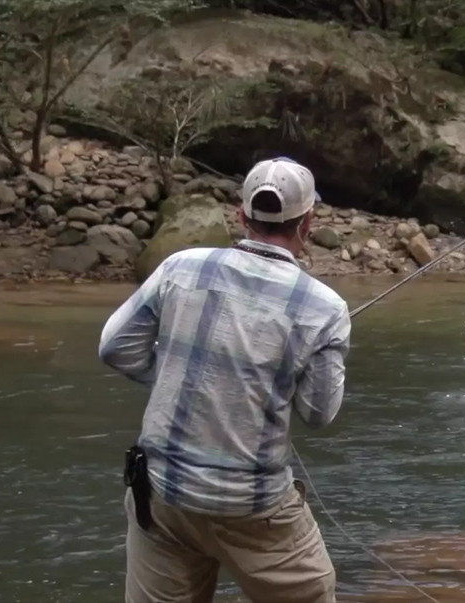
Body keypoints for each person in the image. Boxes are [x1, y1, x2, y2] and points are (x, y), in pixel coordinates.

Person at [98, 157, 351, 603]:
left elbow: (115, 346)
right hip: (256, 509)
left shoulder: (180, 267)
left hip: (163, 496)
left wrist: (183, 377)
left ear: (242, 216)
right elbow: (318, 413)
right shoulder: (324, 307)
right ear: (307, 223)